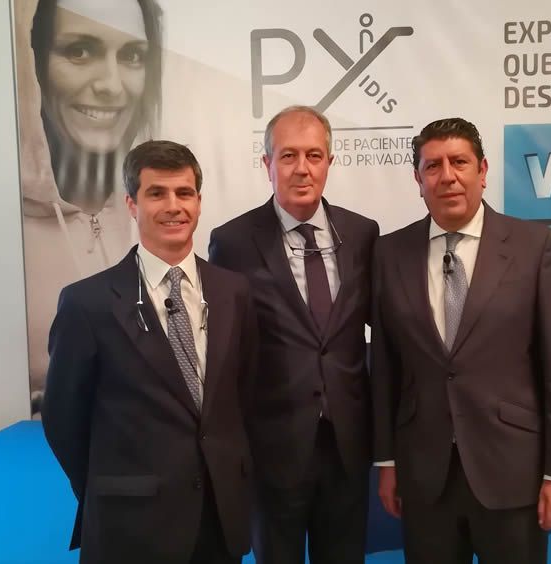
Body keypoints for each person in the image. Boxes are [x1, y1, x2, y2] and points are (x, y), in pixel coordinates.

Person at [370, 118, 551, 563]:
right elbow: (386, 368)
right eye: (433, 166)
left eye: (459, 162)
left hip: (512, 471)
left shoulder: (533, 246)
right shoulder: (389, 253)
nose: (447, 176)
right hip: (424, 476)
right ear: (418, 179)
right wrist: (387, 462)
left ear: (483, 170)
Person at [42, 140, 257, 564]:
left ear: (198, 202)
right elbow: (63, 419)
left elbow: (244, 394)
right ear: (131, 204)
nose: (173, 206)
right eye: (157, 193)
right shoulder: (87, 303)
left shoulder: (234, 291)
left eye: (184, 193)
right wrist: (109, 488)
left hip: (218, 517)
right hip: (130, 524)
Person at [209, 106, 378, 564]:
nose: (302, 168)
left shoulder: (363, 234)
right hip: (271, 449)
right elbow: (224, 353)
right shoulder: (232, 242)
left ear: (329, 162)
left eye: (313, 155)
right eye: (288, 156)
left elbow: (381, 331)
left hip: (347, 446)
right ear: (268, 164)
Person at [19, 0, 163, 413]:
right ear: (34, 64)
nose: (111, 86)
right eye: (80, 51)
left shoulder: (162, 220)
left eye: (132, 56)